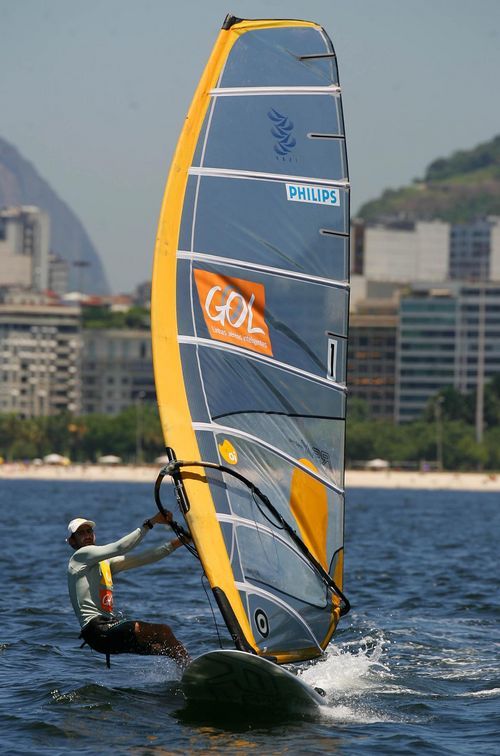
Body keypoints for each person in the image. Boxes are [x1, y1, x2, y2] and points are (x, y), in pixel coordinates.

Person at [67, 511, 190, 667]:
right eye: (81, 533)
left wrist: (178, 542)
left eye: (89, 531)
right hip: (97, 630)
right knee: (162, 631)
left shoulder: (104, 563)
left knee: (164, 647)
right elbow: (120, 547)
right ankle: (191, 667)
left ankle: (187, 673)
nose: (87, 535)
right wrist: (150, 523)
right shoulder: (80, 556)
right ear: (72, 541)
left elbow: (141, 559)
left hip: (107, 634)